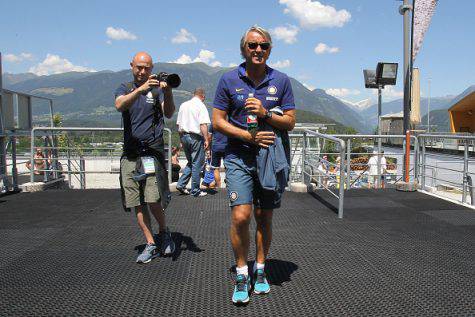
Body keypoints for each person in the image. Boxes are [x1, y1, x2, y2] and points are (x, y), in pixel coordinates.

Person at [212, 26, 296, 304]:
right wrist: (247, 135)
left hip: (269, 158)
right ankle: (241, 272)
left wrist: (265, 113)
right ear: (243, 49)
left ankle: (260, 269)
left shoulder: (281, 80)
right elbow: (218, 121)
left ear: (270, 49)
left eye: (264, 46)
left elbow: (291, 122)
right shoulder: (228, 79)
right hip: (238, 156)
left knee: (264, 217)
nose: (258, 50)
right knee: (240, 216)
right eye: (252, 45)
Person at [114, 52, 176, 264]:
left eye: (146, 68)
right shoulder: (124, 88)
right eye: (139, 67)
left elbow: (168, 113)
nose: (142, 71)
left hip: (151, 153)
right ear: (132, 66)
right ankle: (150, 243)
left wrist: (167, 93)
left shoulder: (157, 90)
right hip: (130, 155)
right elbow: (120, 105)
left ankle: (164, 232)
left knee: (153, 199)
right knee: (137, 202)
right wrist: (141, 90)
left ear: (152, 68)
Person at [176, 88, 211, 197]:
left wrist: (180, 140)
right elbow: (203, 124)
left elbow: (178, 124)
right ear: (203, 96)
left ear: (193, 94)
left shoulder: (183, 105)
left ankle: (181, 184)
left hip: (184, 136)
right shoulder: (201, 106)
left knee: (191, 162)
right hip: (195, 137)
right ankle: (195, 190)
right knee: (197, 164)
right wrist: (206, 140)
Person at [209, 123, 227, 188]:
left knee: (216, 168)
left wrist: (208, 148)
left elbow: (209, 137)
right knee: (228, 166)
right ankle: (228, 184)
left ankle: (219, 187)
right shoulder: (228, 121)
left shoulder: (213, 123)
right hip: (227, 146)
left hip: (216, 147)